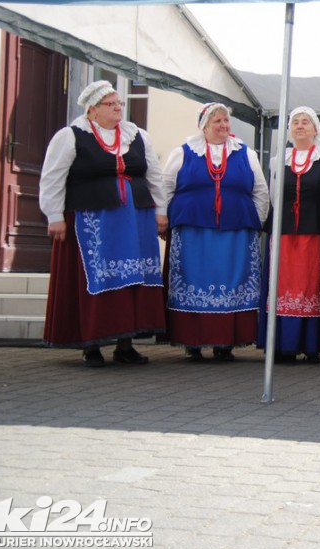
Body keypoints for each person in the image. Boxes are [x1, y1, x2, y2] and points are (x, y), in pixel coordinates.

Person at [39, 80, 167, 367]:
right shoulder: (71, 136)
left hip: (135, 221)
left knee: (132, 279)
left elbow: (154, 176)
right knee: (94, 281)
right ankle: (92, 345)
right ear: (93, 110)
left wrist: (161, 211)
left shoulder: (138, 136)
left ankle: (125, 343)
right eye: (111, 104)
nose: (118, 108)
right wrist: (54, 216)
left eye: (119, 103)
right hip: (91, 220)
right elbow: (53, 177)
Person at [161, 103, 269, 362]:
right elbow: (165, 185)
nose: (223, 125)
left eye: (225, 121)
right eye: (217, 121)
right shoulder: (184, 152)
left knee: (232, 281)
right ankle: (192, 342)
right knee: (192, 280)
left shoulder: (245, 153)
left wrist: (255, 220)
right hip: (193, 231)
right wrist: (163, 218)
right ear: (204, 126)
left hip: (235, 231)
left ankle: (226, 342)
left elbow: (260, 190)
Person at [257, 106, 320, 364]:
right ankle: (282, 344)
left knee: (311, 285)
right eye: (295, 122)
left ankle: (311, 345)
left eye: (306, 122)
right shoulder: (277, 161)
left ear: (316, 129)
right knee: (283, 285)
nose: (300, 126)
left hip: (316, 231)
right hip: (284, 234)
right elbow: (273, 196)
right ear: (289, 130)